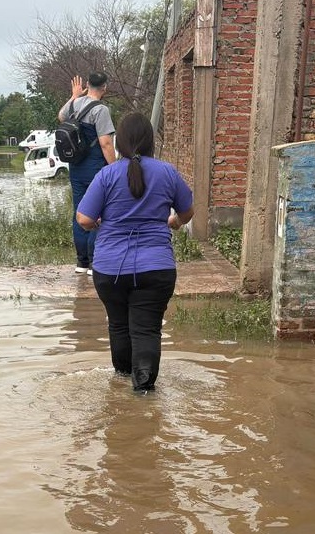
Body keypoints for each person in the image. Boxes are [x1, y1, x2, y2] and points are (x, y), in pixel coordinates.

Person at [75, 112, 195, 392]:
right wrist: (173, 222)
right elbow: (187, 211)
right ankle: (143, 393)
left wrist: (101, 223)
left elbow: (83, 218)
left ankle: (120, 387)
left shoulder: (107, 174)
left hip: (110, 269)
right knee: (147, 329)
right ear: (150, 141)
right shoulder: (167, 172)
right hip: (156, 268)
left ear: (120, 143)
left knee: (118, 326)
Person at [57, 72, 117, 275]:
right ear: (105, 88)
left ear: (87, 85)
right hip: (95, 169)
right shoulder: (101, 110)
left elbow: (60, 116)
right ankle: (94, 261)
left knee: (80, 212)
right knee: (99, 213)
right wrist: (115, 168)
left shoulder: (75, 104)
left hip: (75, 168)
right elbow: (106, 143)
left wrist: (74, 96)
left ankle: (81, 263)